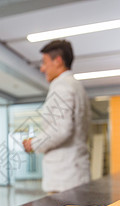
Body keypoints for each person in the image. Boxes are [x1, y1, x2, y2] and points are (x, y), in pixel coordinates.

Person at [23, 39, 91, 193]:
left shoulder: (61, 86)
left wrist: (33, 144)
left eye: (45, 63)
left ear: (58, 61)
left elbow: (62, 130)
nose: (42, 68)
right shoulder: (76, 85)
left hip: (63, 179)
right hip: (75, 173)